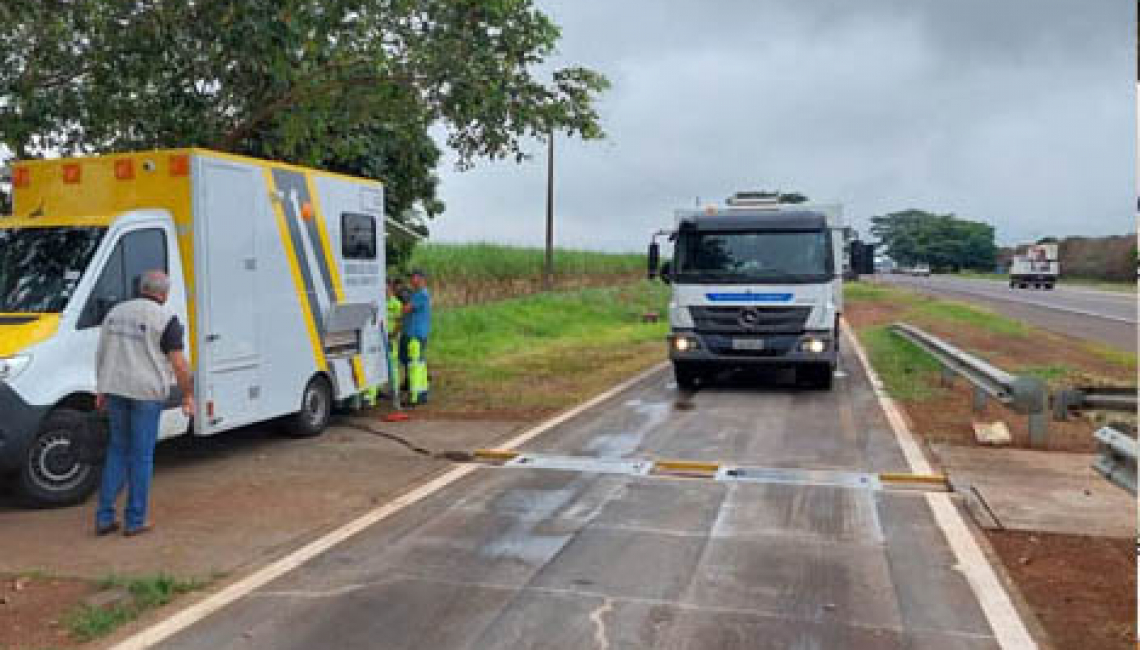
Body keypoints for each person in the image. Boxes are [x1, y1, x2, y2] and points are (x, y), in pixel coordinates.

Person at [94, 270, 193, 537]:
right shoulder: (166, 319)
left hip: (116, 389)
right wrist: (187, 395)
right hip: (146, 395)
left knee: (117, 451)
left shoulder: (115, 313)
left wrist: (101, 388)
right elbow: (179, 364)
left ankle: (104, 517)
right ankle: (134, 520)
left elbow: (101, 352)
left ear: (141, 288)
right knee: (141, 457)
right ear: (163, 293)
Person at [400, 270, 432, 405]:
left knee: (414, 365)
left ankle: (415, 396)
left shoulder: (421, 294)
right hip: (415, 334)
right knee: (419, 364)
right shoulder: (418, 294)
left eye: (413, 277)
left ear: (420, 278)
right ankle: (422, 393)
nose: (411, 280)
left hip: (415, 335)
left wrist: (404, 298)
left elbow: (406, 309)